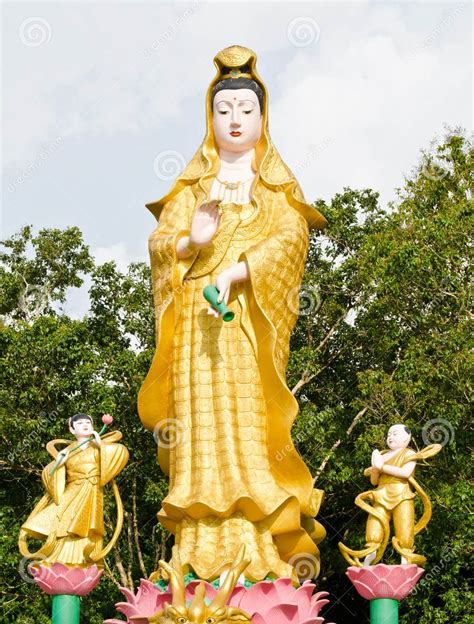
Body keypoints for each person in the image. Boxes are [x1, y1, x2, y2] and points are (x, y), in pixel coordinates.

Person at [138, 45, 328, 582]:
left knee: (246, 424)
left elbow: (291, 241)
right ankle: (196, 552)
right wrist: (187, 241)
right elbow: (159, 243)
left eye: (246, 109)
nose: (235, 120)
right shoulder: (194, 186)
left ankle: (256, 552)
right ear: (210, 118)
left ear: (263, 118)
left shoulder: (275, 188)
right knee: (199, 432)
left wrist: (238, 271)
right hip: (195, 325)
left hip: (243, 322)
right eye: (224, 111)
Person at [19, 413, 128, 567]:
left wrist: (100, 445)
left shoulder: (100, 445)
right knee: (65, 523)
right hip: (73, 491)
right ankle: (60, 559)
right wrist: (59, 463)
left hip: (92, 491)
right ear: (72, 429)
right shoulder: (68, 451)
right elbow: (49, 474)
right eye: (80, 423)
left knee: (89, 525)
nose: (85, 425)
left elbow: (120, 453)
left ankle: (85, 558)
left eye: (88, 423)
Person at [338, 424, 442, 566]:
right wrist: (375, 469)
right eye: (388, 435)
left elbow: (405, 473)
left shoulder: (409, 454)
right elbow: (374, 481)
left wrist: (382, 467)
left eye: (394, 434)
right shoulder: (382, 456)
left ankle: (405, 564)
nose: (390, 437)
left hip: (403, 495)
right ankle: (367, 563)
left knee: (405, 535)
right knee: (374, 530)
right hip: (380, 494)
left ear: (406, 438)